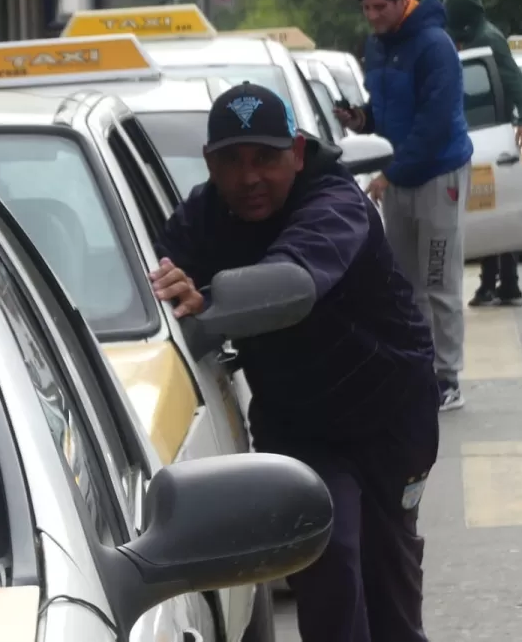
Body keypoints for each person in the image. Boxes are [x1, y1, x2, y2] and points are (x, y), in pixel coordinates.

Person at [151, 82, 439, 642]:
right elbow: (156, 284)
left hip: (390, 415)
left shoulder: (335, 203)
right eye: (232, 161)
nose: (249, 177)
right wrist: (173, 290)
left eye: (265, 158)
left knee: (391, 591)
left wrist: (205, 303)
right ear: (210, 163)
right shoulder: (202, 217)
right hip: (299, 424)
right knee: (328, 564)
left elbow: (291, 283)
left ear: (298, 153)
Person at [334, 0, 473, 413]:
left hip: (437, 174)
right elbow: (385, 110)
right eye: (365, 8)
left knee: (438, 280)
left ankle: (448, 377)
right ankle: (418, 368)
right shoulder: (378, 46)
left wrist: (389, 175)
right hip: (397, 174)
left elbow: (434, 123)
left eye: (379, 7)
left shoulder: (435, 46)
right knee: (405, 283)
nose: (372, 16)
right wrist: (361, 120)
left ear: (402, 1)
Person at [443, 0, 522, 308]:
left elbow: (517, 82)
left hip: (490, 135)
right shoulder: (475, 36)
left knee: (491, 210)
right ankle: (499, 284)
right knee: (488, 212)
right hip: (483, 136)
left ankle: (502, 283)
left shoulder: (487, 40)